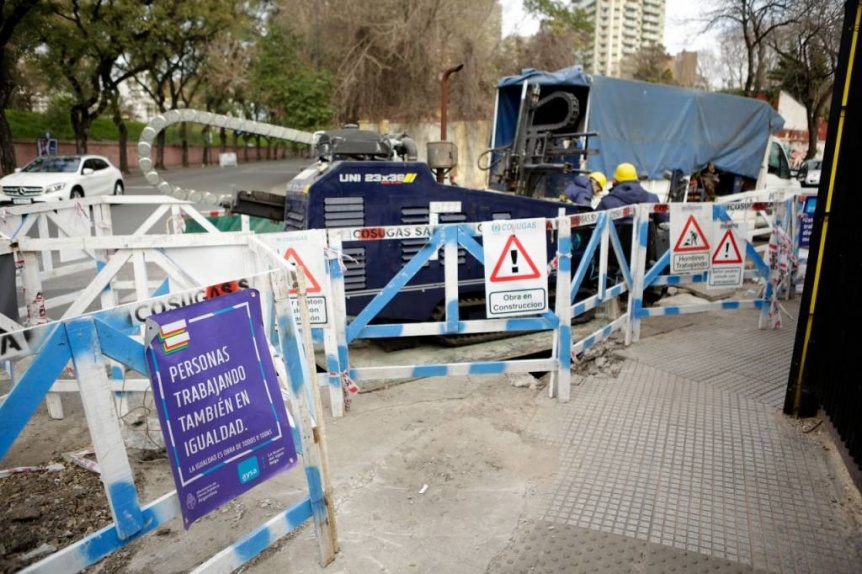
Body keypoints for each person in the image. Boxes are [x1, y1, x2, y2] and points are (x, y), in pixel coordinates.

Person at [596, 162, 668, 223]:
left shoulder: (606, 202)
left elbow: (593, 225)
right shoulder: (653, 199)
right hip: (646, 239)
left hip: (614, 239)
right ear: (636, 178)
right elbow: (664, 221)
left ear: (614, 181)